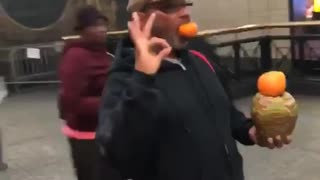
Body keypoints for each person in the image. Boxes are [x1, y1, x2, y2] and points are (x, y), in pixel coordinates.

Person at [96, 1, 292, 180]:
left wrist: (249, 130)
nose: (185, 14)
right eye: (170, 7)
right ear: (140, 18)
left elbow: (225, 111)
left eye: (184, 5)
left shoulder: (199, 60)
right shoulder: (126, 76)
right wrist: (143, 78)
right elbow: (118, 152)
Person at [58, 6, 120, 180]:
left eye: (103, 24)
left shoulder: (102, 52)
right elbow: (72, 101)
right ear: (83, 30)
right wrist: (112, 102)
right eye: (94, 25)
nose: (101, 29)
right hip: (87, 137)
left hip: (106, 131)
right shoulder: (76, 56)